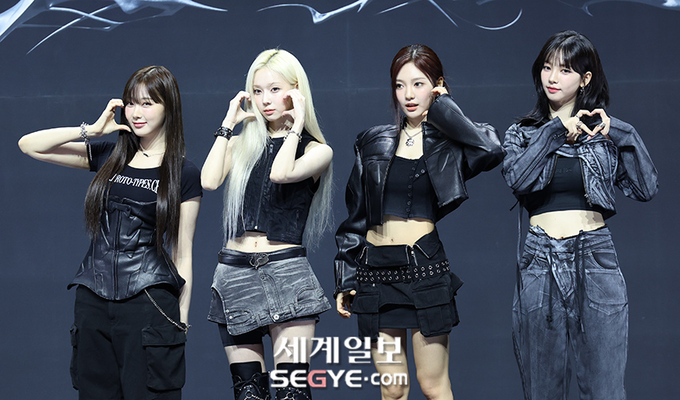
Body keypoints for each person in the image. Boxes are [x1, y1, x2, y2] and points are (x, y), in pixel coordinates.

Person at [17, 65, 202, 399]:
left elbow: (183, 251)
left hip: (149, 302)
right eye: (131, 103)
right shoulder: (109, 156)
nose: (136, 113)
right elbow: (29, 145)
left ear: (169, 107)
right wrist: (90, 130)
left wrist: (182, 319)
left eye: (147, 103)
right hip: (92, 301)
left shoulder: (183, 173)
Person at [334, 44, 503, 400]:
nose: (408, 95)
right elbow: (355, 215)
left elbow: (490, 149)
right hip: (375, 274)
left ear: (437, 86)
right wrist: (345, 277)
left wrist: (445, 108)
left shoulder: (450, 143)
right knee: (393, 389)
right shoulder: (372, 141)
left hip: (423, 270)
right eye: (400, 85)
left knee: (433, 386)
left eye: (418, 84)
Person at [501, 30, 658, 400]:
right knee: (542, 391)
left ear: (585, 78)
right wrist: (555, 130)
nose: (553, 77)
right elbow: (518, 179)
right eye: (547, 67)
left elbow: (646, 188)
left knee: (605, 391)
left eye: (565, 70)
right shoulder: (522, 133)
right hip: (540, 262)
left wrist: (622, 132)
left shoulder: (605, 134)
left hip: (594, 258)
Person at [201, 49, 333, 400]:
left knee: (292, 391)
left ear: (296, 90)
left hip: (287, 274)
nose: (264, 100)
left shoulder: (317, 150)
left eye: (275, 89)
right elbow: (209, 181)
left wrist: (297, 124)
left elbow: (281, 173)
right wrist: (228, 124)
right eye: (257, 91)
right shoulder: (241, 144)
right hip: (235, 273)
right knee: (248, 393)